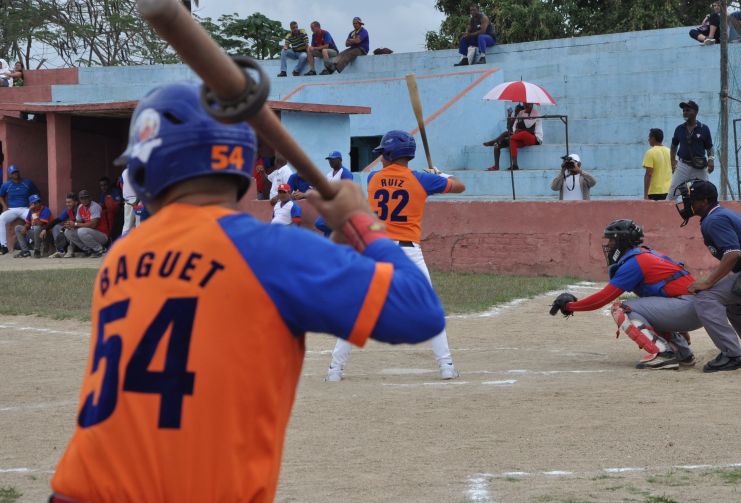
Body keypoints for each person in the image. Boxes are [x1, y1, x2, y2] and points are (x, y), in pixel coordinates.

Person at [51, 81, 446, 502]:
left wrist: (335, 245)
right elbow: (419, 311)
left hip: (79, 490)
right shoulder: (267, 253)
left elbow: (254, 297)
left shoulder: (122, 257)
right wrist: (360, 222)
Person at [324, 130, 466, 382]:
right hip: (409, 253)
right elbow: (459, 186)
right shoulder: (422, 179)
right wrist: (439, 174)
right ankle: (446, 366)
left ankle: (335, 369)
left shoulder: (373, 178)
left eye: (383, 154)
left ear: (392, 154)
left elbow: (397, 181)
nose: (381, 158)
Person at [549, 219, 698, 369]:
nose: (609, 245)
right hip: (693, 307)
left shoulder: (635, 262)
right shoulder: (645, 254)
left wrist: (570, 306)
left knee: (621, 308)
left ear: (622, 241)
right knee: (645, 312)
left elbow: (602, 298)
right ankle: (682, 353)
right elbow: (671, 292)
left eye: (612, 240)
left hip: (688, 308)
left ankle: (662, 354)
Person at [675, 179, 741, 372]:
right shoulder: (717, 215)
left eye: (691, 199)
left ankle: (732, 354)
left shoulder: (714, 220)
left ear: (704, 201)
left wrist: (708, 281)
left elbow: (733, 253)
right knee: (734, 305)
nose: (687, 204)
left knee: (706, 297)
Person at [668, 100, 713, 199]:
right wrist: (672, 161)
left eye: (688, 110)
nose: (685, 112)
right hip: (682, 166)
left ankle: (712, 214)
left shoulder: (704, 129)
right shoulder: (679, 129)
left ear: (696, 112)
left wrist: (711, 159)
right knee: (671, 194)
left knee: (707, 193)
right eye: (684, 111)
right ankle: (666, 214)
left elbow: (709, 147)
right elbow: (674, 145)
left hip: (699, 167)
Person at [483, 102, 542, 171]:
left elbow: (530, 129)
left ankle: (502, 139)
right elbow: (513, 127)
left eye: (528, 104)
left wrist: (519, 130)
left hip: (534, 138)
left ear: (532, 104)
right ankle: (511, 165)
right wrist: (515, 126)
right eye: (524, 104)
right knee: (502, 143)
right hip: (520, 137)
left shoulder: (536, 113)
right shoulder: (521, 113)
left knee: (523, 133)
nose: (526, 105)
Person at [0, 164, 39, 254]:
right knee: (1, 218)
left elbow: (36, 193)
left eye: (16, 172)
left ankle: (33, 242)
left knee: (35, 217)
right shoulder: (6, 185)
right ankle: (3, 246)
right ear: (10, 175)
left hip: (26, 208)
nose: (15, 174)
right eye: (13, 173)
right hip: (12, 209)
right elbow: (1, 196)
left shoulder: (27, 182)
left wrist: (33, 205)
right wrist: (5, 207)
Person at [315, 151, 354, 236]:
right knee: (327, 234)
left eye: (332, 160)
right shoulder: (329, 174)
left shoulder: (345, 173)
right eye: (329, 160)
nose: (330, 162)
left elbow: (347, 192)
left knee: (319, 223)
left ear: (339, 160)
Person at [63, 189, 109, 258]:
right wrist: (70, 225)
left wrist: (75, 224)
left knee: (82, 231)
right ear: (79, 200)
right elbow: (78, 222)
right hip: (90, 233)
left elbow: (93, 225)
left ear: (90, 198)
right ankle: (89, 250)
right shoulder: (80, 207)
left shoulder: (95, 206)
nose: (84, 200)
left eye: (86, 197)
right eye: (82, 198)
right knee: (67, 232)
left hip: (102, 235)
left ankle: (101, 250)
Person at [13, 194, 52, 258]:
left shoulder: (45, 210)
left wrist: (32, 211)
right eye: (35, 203)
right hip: (35, 235)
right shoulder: (31, 211)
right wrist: (25, 227)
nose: (38, 204)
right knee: (18, 228)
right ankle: (25, 251)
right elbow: (28, 223)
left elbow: (40, 224)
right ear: (31, 204)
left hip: (46, 236)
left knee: (37, 227)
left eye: (38, 202)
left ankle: (37, 250)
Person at [642, 128, 672, 200]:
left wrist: (646, 195)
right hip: (669, 191)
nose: (648, 140)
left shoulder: (650, 152)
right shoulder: (670, 151)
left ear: (653, 138)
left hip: (655, 192)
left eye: (649, 138)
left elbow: (649, 174)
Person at [49, 192, 80, 258]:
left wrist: (69, 225)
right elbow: (57, 220)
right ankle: (60, 250)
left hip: (80, 233)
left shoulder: (80, 209)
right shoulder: (68, 210)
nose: (67, 204)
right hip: (70, 232)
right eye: (66, 202)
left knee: (70, 228)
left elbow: (80, 222)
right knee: (56, 227)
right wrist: (45, 229)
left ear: (76, 202)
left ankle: (70, 250)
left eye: (69, 202)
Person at [120, 167, 140, 235]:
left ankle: (123, 244)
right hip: (139, 200)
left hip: (128, 200)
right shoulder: (139, 169)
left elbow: (122, 186)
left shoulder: (124, 172)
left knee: (127, 226)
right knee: (139, 225)